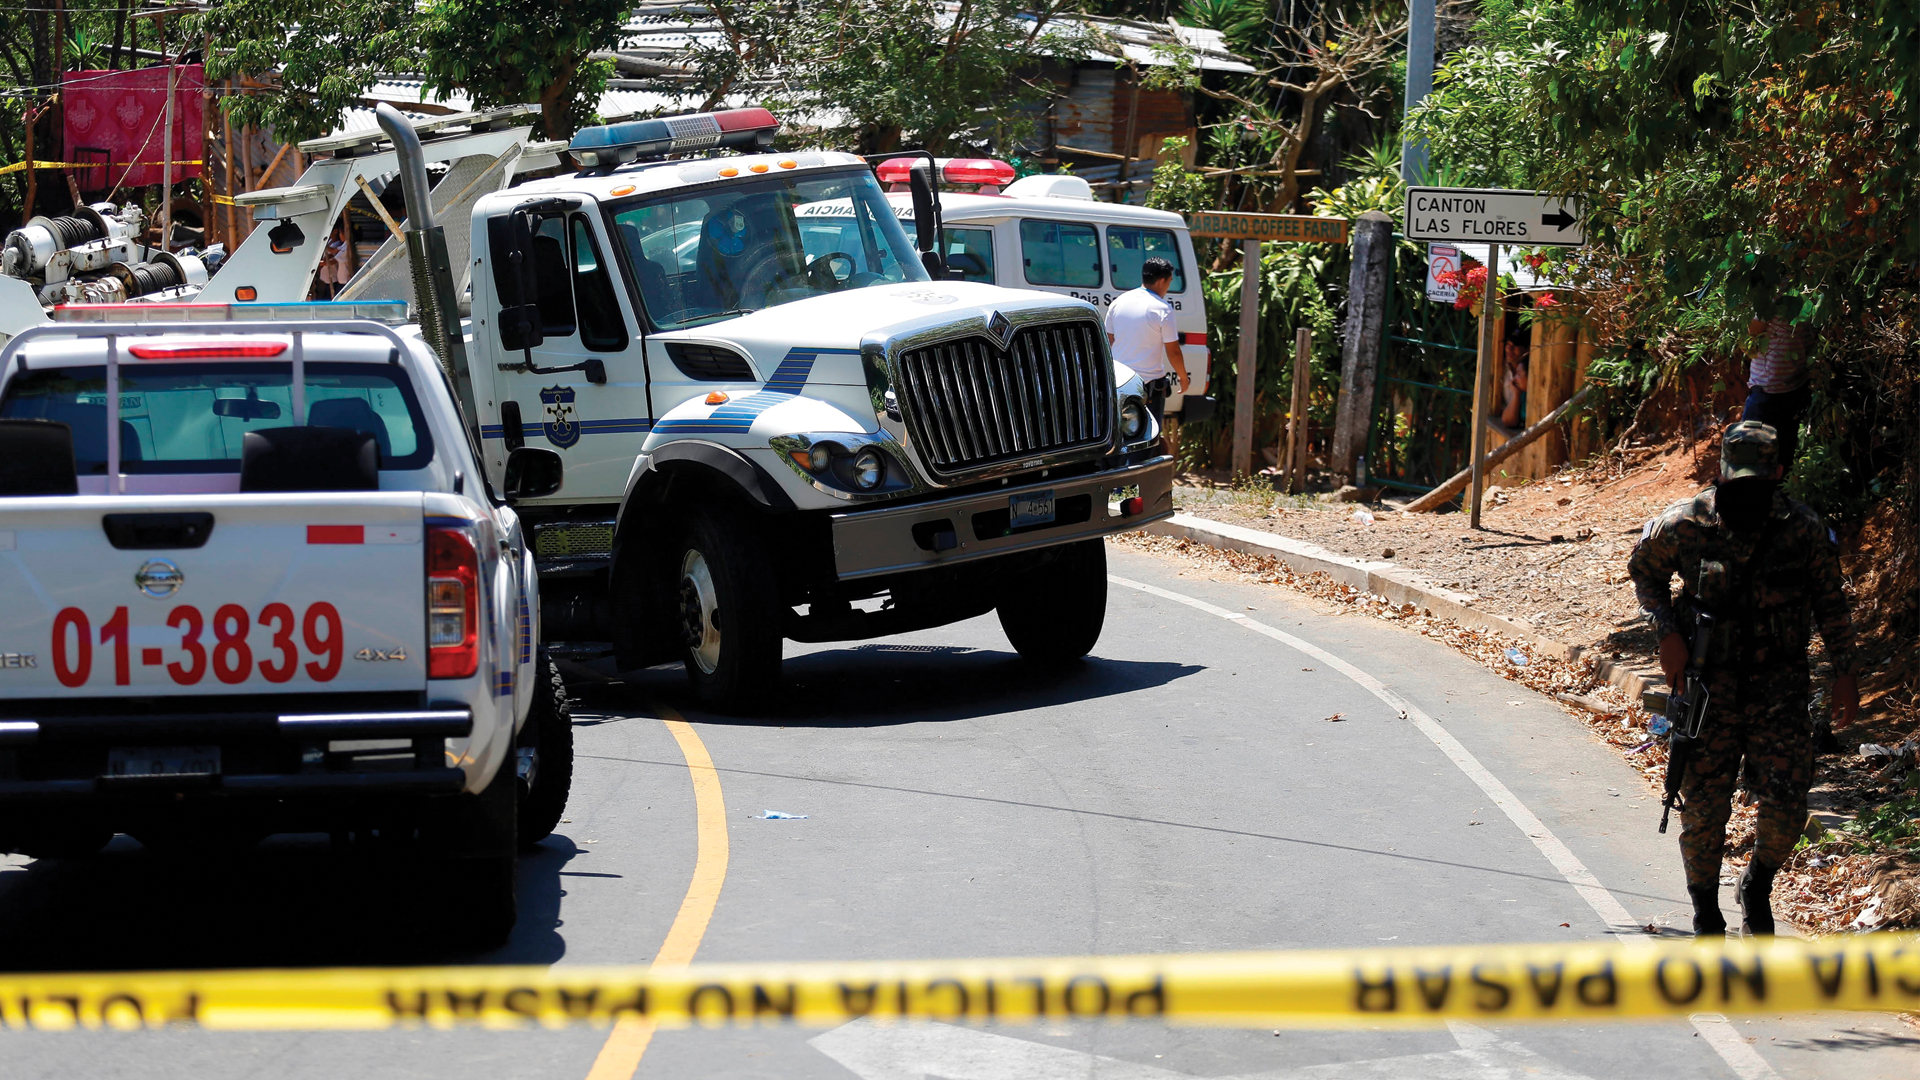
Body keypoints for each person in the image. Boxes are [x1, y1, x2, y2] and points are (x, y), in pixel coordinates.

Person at [1626, 420, 1859, 938]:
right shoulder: (1686, 523)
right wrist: (1666, 633)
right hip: (1708, 687)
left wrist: (1846, 672)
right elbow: (1645, 572)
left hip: (1779, 686)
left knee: (1787, 804)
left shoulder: (1802, 529)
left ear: (1778, 473)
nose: (1747, 490)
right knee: (1704, 804)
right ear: (1721, 472)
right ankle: (1705, 908)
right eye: (1738, 480)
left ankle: (1757, 883)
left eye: (1759, 480)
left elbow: (1831, 603)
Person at [1106, 256, 1190, 423]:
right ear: (1161, 281)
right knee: (1148, 438)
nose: (1168, 287)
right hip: (1148, 389)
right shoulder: (1162, 309)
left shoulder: (1119, 302)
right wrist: (1182, 376)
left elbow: (1108, 341)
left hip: (1118, 383)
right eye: (1169, 282)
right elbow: (1173, 350)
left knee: (1119, 438)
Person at [1743, 314, 1814, 474]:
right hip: (1796, 385)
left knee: (1747, 460)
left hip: (1768, 390)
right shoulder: (1810, 292)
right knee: (1782, 460)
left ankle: (1750, 497)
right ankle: (1776, 497)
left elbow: (1750, 341)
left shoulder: (1771, 294)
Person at [1498, 338, 1529, 431]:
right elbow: (1507, 420)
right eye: (1507, 344)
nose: (1514, 378)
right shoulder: (1522, 394)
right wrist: (1516, 394)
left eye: (1519, 374)